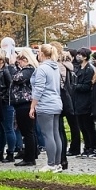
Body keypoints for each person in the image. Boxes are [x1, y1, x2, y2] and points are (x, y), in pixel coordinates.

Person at [31, 43, 66, 171]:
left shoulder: (42, 68)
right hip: (56, 102)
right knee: (56, 134)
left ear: (42, 54)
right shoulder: (55, 67)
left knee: (48, 135)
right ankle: (57, 163)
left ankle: (51, 164)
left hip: (45, 104)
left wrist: (33, 106)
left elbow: (38, 89)